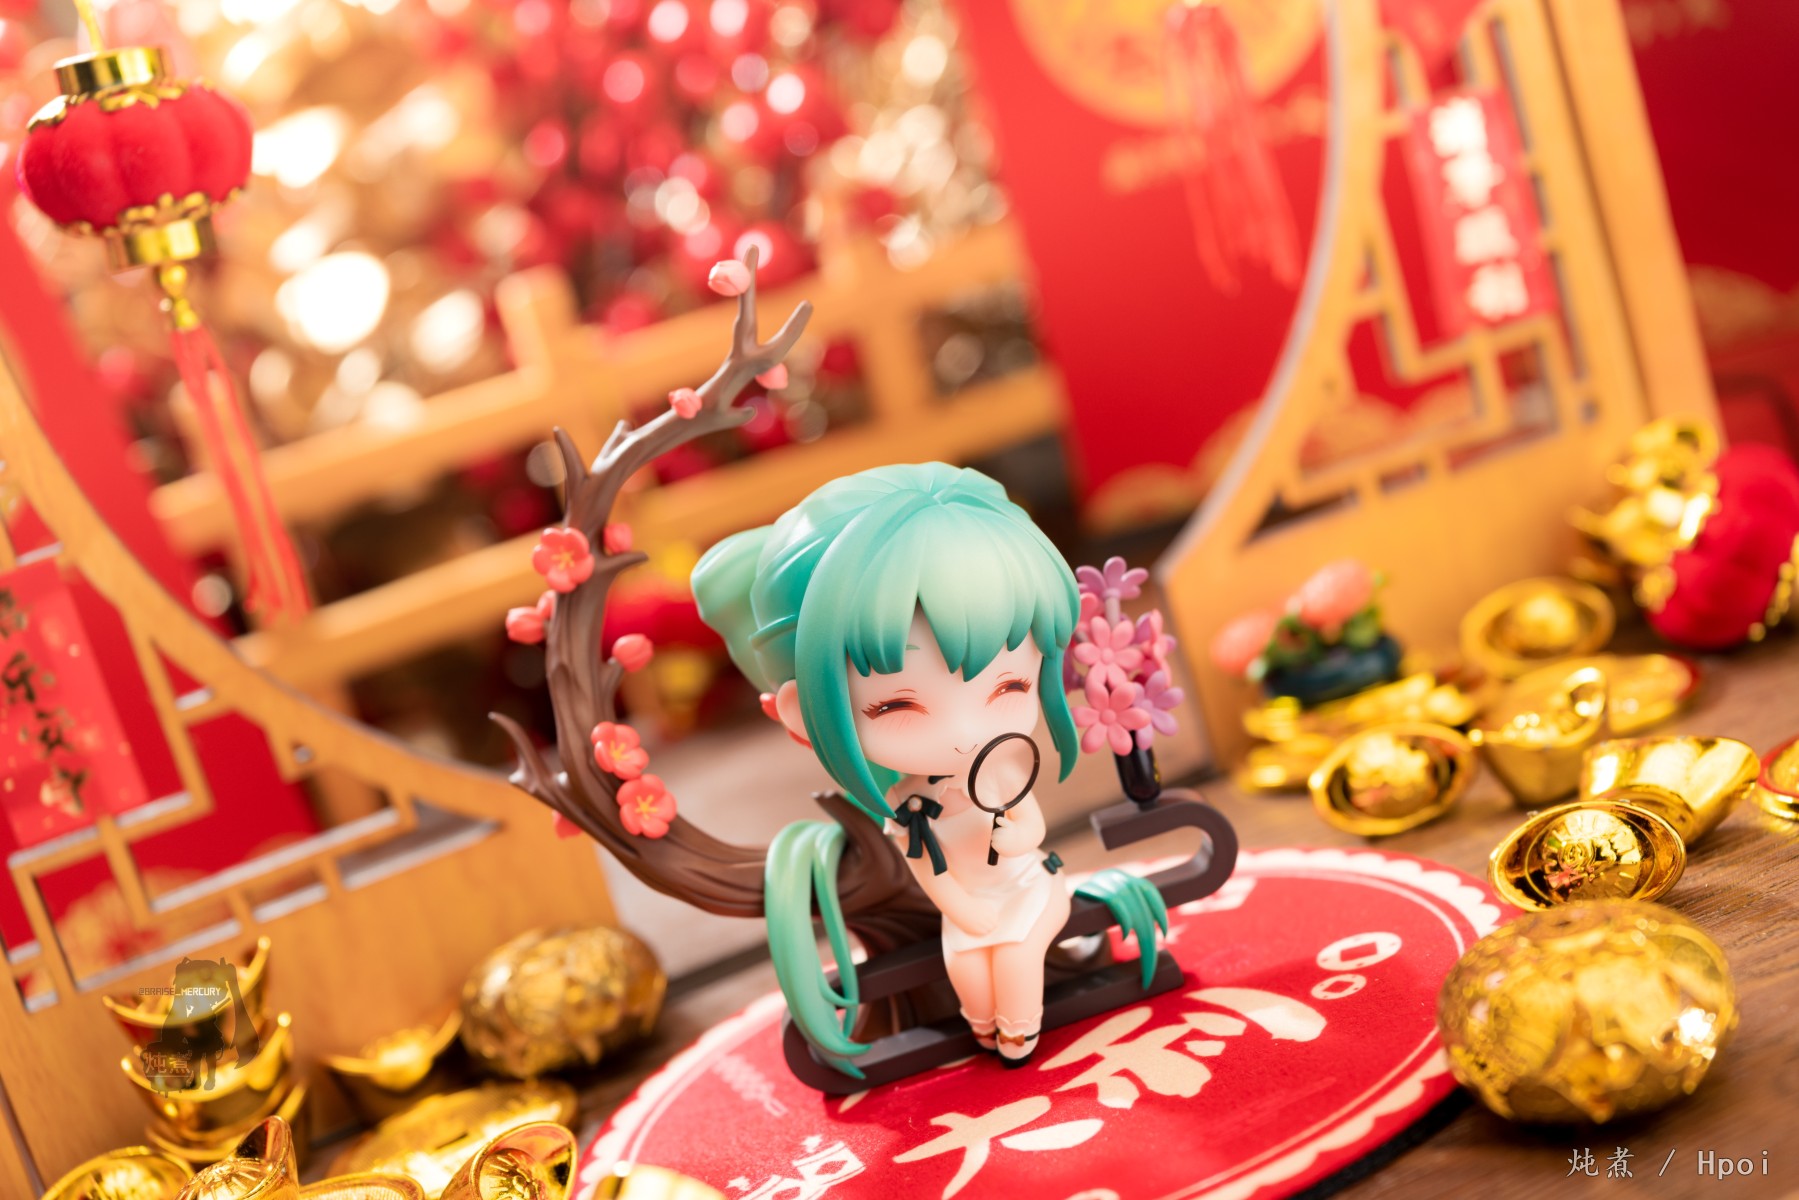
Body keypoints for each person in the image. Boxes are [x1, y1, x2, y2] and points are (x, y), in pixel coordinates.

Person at [695, 463, 1161, 1075]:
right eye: (897, 706)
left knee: (1017, 954)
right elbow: (927, 867)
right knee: (968, 968)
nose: (966, 734)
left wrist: (1011, 834)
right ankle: (986, 1028)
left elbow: (1029, 828)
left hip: (1024, 885)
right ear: (804, 713)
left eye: (1010, 686)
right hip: (967, 906)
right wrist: (962, 909)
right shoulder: (909, 804)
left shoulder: (1002, 771)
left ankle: (1019, 1031)